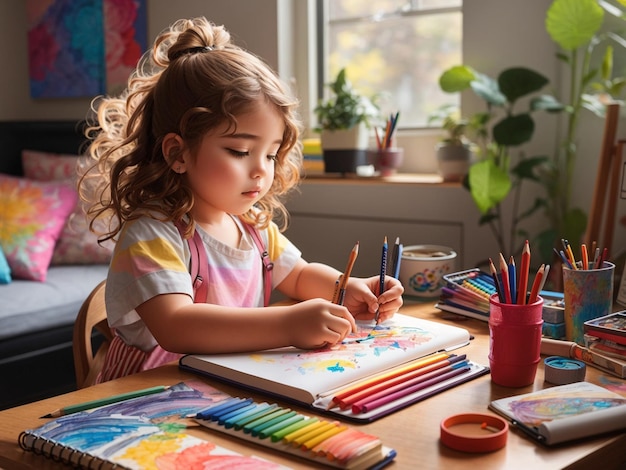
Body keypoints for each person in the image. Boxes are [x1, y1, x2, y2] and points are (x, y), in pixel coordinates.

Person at [79, 17, 403, 383]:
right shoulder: (152, 233)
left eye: (270, 154)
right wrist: (288, 323)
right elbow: (176, 326)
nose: (262, 170)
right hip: (144, 400)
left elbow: (298, 275)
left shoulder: (251, 226)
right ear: (178, 153)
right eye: (239, 150)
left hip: (219, 387)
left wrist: (348, 288)